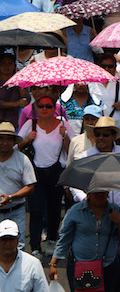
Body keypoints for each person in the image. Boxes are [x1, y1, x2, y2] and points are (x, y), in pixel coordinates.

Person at [69, 116, 120, 292]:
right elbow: (74, 184)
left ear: (113, 137)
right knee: (100, 257)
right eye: (98, 134)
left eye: (105, 134)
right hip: (95, 215)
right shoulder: (86, 157)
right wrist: (84, 197)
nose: (101, 138)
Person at [17, 94, 73, 258]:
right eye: (41, 106)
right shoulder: (30, 124)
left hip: (56, 172)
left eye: (49, 106)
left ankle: (51, 240)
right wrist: (27, 139)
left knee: (55, 209)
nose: (45, 109)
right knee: (36, 211)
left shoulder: (64, 125)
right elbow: (16, 146)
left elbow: (72, 152)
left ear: (55, 108)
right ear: (36, 108)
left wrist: (65, 136)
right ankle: (35, 247)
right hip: (35, 173)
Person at [49, 191, 120, 292]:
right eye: (96, 192)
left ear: (107, 193)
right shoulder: (75, 211)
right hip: (80, 267)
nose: (99, 195)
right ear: (88, 193)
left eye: (103, 192)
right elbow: (64, 239)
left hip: (108, 267)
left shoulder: (115, 210)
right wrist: (53, 263)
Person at [0, 123, 35, 251]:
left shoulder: (22, 159)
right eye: (1, 138)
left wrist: (11, 197)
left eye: (8, 139)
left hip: (16, 210)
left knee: (18, 247)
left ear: (14, 142)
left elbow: (30, 187)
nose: (4, 142)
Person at [0, 219, 51, 292]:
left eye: (11, 239)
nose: (7, 243)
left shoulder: (33, 264)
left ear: (18, 239)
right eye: (3, 239)